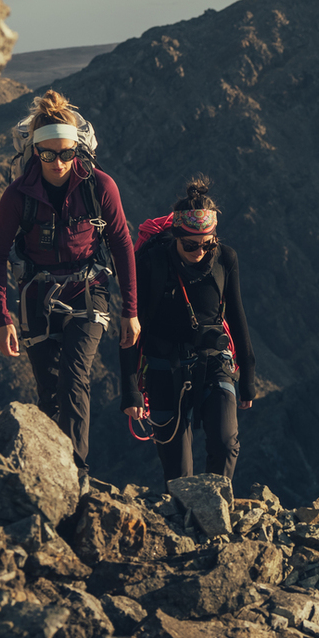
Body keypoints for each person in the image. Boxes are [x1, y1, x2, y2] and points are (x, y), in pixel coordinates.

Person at [0, 89, 139, 467]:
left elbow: (121, 244)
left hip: (89, 292)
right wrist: (3, 320)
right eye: (48, 154)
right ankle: (52, 471)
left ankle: (78, 471)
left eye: (66, 153)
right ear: (35, 152)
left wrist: (130, 310)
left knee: (74, 377)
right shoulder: (17, 196)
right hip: (37, 296)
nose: (58, 162)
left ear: (78, 150)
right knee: (50, 392)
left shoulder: (100, 187)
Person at [121, 176, 257, 486]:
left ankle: (215, 511)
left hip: (214, 362)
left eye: (207, 244)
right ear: (175, 237)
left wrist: (247, 375)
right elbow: (130, 327)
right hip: (162, 368)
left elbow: (236, 316)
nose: (200, 251)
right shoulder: (152, 264)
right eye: (190, 245)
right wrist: (130, 389)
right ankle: (184, 522)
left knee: (225, 445)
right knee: (178, 473)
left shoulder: (225, 258)